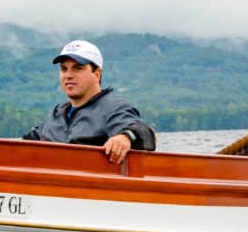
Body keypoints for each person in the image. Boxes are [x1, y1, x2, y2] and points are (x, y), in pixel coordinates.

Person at [23, 39, 156, 164]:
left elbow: (144, 132)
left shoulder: (113, 108)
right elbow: (22, 146)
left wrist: (126, 137)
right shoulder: (55, 114)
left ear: (97, 74)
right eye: (64, 69)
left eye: (77, 68)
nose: (68, 75)